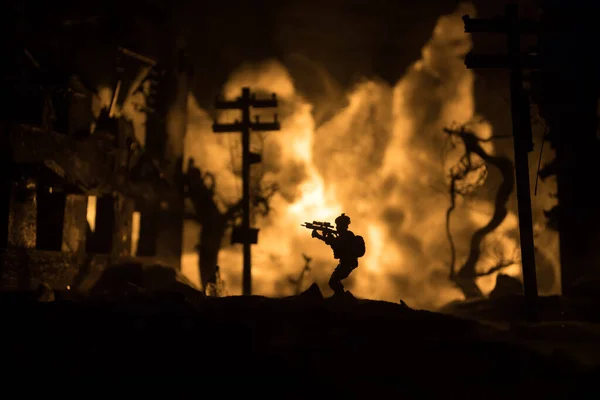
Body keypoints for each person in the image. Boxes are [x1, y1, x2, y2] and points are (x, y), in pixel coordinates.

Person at [312, 213, 359, 296]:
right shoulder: (342, 235)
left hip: (348, 263)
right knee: (333, 281)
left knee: (333, 282)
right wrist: (322, 236)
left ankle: (342, 297)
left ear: (343, 226)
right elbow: (332, 242)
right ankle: (340, 296)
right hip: (345, 263)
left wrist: (324, 236)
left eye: (338, 225)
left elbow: (336, 244)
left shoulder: (347, 235)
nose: (337, 227)